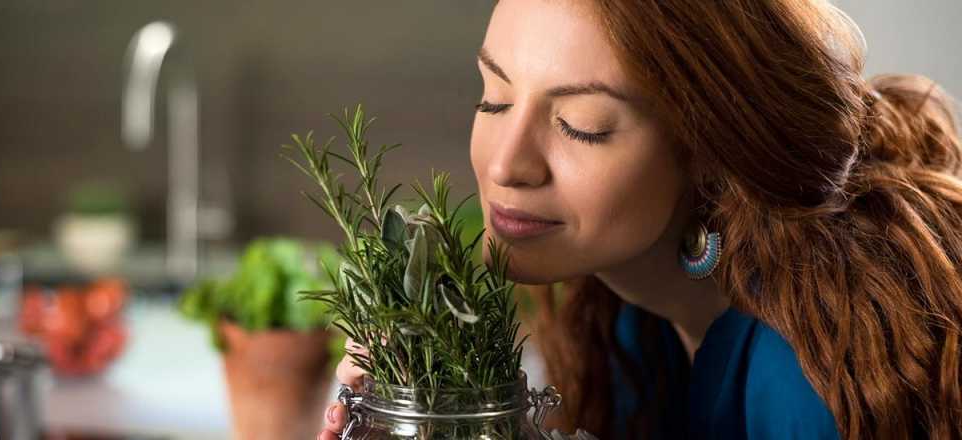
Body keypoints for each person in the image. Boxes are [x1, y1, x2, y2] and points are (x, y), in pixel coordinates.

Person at [318, 0, 962, 439]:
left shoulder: (800, 379)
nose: (507, 164)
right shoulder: (623, 313)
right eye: (494, 98)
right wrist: (443, 402)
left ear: (711, 151)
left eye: (582, 127)